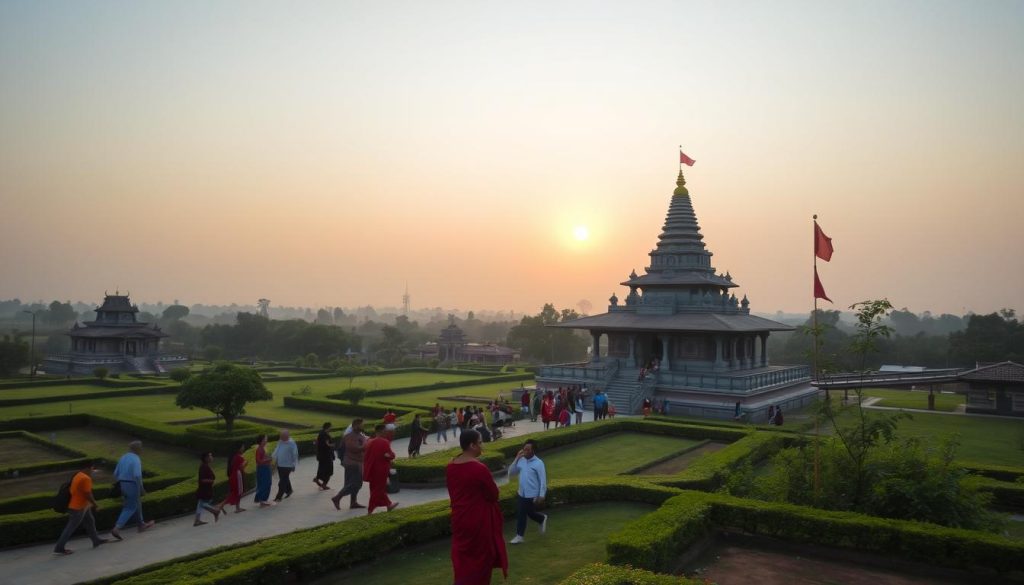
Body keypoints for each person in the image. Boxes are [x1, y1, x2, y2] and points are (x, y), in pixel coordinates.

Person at [446, 430, 508, 585]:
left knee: (463, 562)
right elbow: (493, 494)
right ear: (472, 445)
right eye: (480, 442)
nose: (482, 445)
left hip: (459, 520)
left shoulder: (451, 466)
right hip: (477, 521)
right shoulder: (479, 469)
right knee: (481, 563)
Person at [53, 459, 111, 554]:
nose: (93, 470)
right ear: (88, 468)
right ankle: (59, 548)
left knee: (90, 521)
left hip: (80, 505)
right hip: (78, 507)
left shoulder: (78, 475)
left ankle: (96, 540)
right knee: (70, 527)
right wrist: (96, 505)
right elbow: (88, 494)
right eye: (92, 468)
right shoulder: (86, 478)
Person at [111, 441, 155, 539]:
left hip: (123, 484)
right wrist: (141, 488)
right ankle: (117, 528)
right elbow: (137, 475)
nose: (142, 450)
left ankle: (141, 525)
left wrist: (121, 484)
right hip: (132, 484)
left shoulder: (123, 457)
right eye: (141, 448)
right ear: (137, 449)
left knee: (136, 503)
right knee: (130, 507)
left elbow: (115, 473)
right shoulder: (136, 459)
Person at [507, 439, 547, 544]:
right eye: (524, 449)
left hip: (532, 494)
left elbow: (543, 480)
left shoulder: (539, 463)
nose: (525, 451)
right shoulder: (521, 460)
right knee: (528, 513)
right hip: (521, 493)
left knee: (523, 513)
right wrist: (516, 458)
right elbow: (511, 473)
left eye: (528, 449)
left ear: (533, 451)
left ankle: (519, 536)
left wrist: (541, 495)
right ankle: (542, 518)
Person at [362, 423, 399, 514]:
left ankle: (388, 505)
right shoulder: (384, 442)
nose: (387, 433)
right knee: (378, 490)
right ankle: (370, 509)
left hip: (372, 469)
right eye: (385, 431)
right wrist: (390, 456)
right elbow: (390, 455)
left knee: (376, 488)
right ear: (381, 431)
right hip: (381, 470)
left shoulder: (369, 441)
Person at [332, 418, 367, 510]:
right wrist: (366, 444)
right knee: (355, 483)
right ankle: (337, 498)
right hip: (352, 463)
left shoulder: (359, 435)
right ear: (355, 425)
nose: (363, 426)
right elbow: (354, 448)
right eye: (361, 424)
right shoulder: (350, 436)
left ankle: (353, 502)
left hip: (357, 463)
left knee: (353, 483)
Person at [194, 452, 220, 526]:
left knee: (200, 504)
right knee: (203, 504)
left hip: (205, 488)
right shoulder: (204, 467)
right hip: (204, 489)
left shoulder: (205, 466)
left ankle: (197, 520)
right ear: (206, 458)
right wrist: (212, 481)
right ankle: (215, 511)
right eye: (210, 456)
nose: (212, 457)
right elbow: (202, 480)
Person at [272, 429, 298, 502]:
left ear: (287, 436)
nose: (281, 438)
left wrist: (293, 465)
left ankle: (278, 497)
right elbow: (277, 451)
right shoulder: (280, 442)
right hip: (280, 465)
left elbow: (295, 454)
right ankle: (289, 490)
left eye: (283, 437)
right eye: (281, 436)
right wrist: (272, 458)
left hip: (288, 465)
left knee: (282, 482)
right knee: (285, 479)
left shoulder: (292, 443)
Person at [224, 443, 247, 513]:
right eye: (242, 447)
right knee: (238, 492)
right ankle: (220, 506)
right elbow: (241, 467)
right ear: (239, 448)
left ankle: (237, 507)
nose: (243, 448)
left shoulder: (234, 456)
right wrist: (246, 462)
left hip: (233, 475)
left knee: (235, 492)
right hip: (237, 476)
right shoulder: (238, 457)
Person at [253, 434, 273, 508]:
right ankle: (262, 500)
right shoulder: (259, 449)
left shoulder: (263, 448)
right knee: (264, 484)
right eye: (265, 439)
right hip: (263, 469)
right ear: (262, 441)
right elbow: (258, 461)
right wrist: (268, 459)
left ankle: (263, 500)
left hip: (266, 468)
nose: (266, 440)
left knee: (267, 483)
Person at [314, 422, 334, 490]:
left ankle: (317, 479)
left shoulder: (321, 433)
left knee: (322, 469)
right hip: (326, 456)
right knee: (329, 471)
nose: (331, 428)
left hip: (322, 456)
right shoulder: (324, 434)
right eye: (331, 427)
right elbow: (326, 444)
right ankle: (324, 484)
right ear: (328, 427)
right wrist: (332, 445)